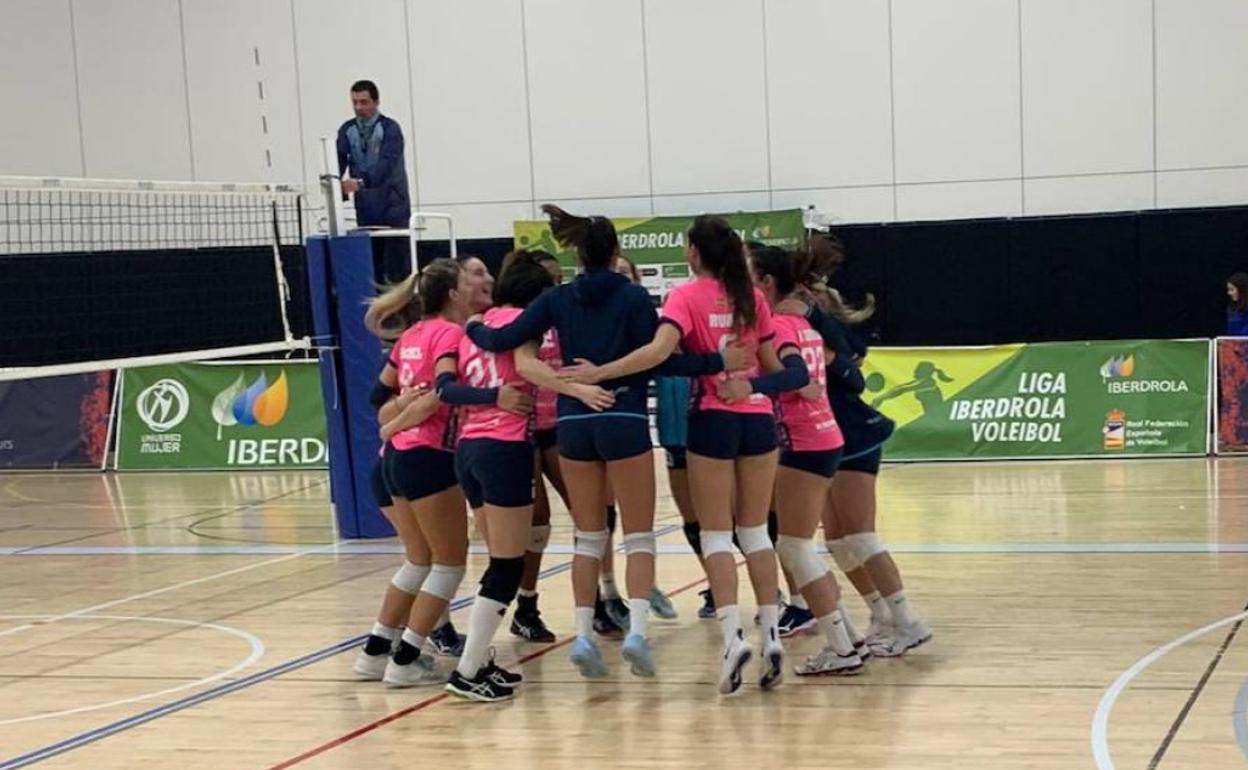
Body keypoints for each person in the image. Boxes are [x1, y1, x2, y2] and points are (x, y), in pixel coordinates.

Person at [464, 206, 734, 681]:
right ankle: (637, 634)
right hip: (623, 416)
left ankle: (585, 635)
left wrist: (473, 326)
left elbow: (504, 337)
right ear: (614, 253)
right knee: (638, 534)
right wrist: (714, 363)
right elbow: (661, 359)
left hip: (572, 423)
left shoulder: (558, 297)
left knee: (587, 537)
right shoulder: (632, 297)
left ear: (577, 254)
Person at [572, 215, 803, 694]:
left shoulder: (685, 296)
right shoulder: (752, 297)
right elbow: (776, 370)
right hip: (757, 417)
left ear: (695, 252)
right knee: (756, 532)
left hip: (712, 419)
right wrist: (752, 386)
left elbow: (657, 353)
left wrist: (602, 373)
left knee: (717, 536)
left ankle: (732, 638)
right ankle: (774, 635)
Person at [444, 251, 615, 701]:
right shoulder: (524, 325)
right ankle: (466, 671)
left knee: (502, 562)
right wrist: (578, 387)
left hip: (469, 448)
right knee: (506, 565)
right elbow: (526, 366)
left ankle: (479, 661)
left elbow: (450, 384)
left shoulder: (472, 328)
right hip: (504, 448)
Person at [781, 235, 932, 657]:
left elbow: (854, 370)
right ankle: (881, 612)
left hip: (852, 432)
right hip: (824, 436)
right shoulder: (788, 320)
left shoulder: (811, 320)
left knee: (860, 534)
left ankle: (908, 621)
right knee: (838, 540)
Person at [749, 245, 864, 676]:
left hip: (805, 440)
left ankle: (842, 646)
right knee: (800, 547)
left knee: (794, 547)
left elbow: (796, 375)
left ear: (766, 283)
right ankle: (848, 636)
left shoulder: (779, 325)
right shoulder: (801, 321)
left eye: (749, 277)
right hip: (821, 436)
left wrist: (753, 386)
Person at [336, 79, 412, 283]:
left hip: (394, 207)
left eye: (364, 102)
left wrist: (360, 182)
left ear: (376, 102)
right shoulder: (347, 130)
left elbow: (387, 164)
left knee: (397, 268)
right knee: (372, 268)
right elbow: (338, 161)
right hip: (366, 209)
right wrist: (336, 188)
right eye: (355, 102)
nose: (359, 107)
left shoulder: (390, 129)